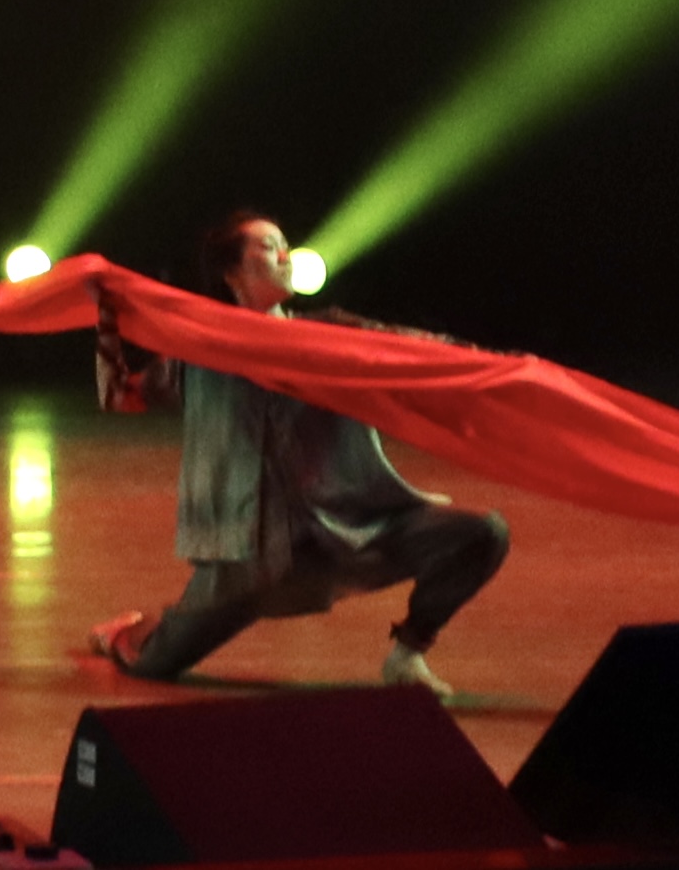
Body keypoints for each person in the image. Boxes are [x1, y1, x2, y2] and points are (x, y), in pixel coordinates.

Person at [85, 211, 509, 698]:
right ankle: (127, 630)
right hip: (248, 560)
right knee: (152, 667)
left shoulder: (330, 333)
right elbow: (117, 395)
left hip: (344, 532)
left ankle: (408, 653)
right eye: (269, 246)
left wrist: (490, 364)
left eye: (285, 243)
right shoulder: (199, 352)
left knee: (482, 534)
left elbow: (411, 347)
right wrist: (105, 317)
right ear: (233, 273)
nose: (287, 255)